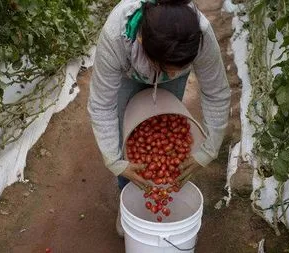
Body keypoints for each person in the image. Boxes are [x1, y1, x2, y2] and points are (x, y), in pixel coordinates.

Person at [87, 0, 230, 236]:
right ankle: (128, 199)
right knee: (127, 139)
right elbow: (102, 104)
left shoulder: (200, 34)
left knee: (165, 129)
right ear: (142, 42)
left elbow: (217, 93)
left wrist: (209, 149)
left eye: (181, 68)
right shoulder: (117, 36)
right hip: (128, 71)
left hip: (165, 56)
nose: (173, 74)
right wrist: (114, 160)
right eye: (168, 68)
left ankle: (161, 189)